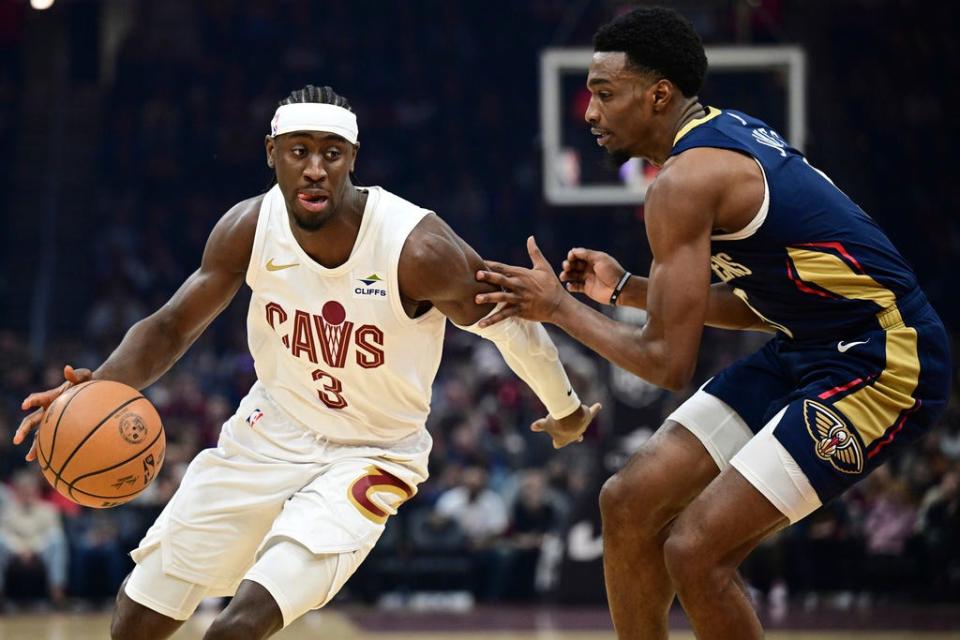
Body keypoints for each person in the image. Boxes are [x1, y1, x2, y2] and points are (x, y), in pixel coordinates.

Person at [13, 85, 600, 640]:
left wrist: (565, 409)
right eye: (299, 152)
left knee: (237, 627)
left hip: (372, 453)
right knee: (137, 617)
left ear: (352, 159)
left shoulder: (415, 247)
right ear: (273, 154)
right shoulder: (248, 227)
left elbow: (511, 327)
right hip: (270, 433)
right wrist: (96, 387)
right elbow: (171, 325)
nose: (315, 168)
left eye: (331, 153)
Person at [473, 8, 951, 639]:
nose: (588, 112)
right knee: (627, 504)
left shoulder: (683, 182)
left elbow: (667, 364)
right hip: (805, 341)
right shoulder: (722, 136)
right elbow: (766, 298)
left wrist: (558, 308)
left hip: (885, 357)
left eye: (604, 94)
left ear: (659, 94)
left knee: (696, 552)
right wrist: (625, 290)